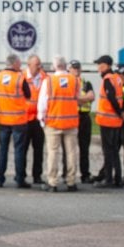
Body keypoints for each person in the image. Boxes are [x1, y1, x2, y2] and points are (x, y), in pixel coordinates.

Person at [37, 56, 80, 192]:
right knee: (71, 153)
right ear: (65, 66)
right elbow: (77, 98)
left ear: (54, 66)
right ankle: (71, 181)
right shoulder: (75, 81)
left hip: (53, 122)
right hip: (71, 122)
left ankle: (53, 182)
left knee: (53, 152)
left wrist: (41, 118)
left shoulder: (48, 81)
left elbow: (43, 103)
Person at [0, 54, 32, 188]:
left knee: (3, 150)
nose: (21, 65)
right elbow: (28, 95)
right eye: (19, 62)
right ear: (14, 63)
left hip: (3, 119)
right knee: (19, 150)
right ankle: (20, 179)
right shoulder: (20, 78)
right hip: (18, 120)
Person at [93, 55, 124, 189]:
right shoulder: (117, 78)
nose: (98, 67)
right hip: (115, 121)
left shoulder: (108, 80)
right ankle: (117, 179)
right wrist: (122, 112)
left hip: (107, 120)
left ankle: (108, 179)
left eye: (99, 64)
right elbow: (121, 97)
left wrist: (119, 112)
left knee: (108, 151)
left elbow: (112, 99)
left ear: (106, 65)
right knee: (114, 150)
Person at [69, 60, 96, 184]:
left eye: (78, 68)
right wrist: (82, 99)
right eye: (74, 68)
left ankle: (85, 174)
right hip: (71, 116)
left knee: (84, 148)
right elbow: (69, 99)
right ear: (69, 69)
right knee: (69, 149)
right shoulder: (67, 83)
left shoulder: (86, 83)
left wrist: (78, 99)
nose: (76, 70)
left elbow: (92, 97)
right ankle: (68, 174)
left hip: (84, 117)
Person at [23, 54, 47, 184]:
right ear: (29, 65)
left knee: (38, 150)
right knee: (23, 149)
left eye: (39, 64)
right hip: (25, 119)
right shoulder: (22, 77)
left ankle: (37, 176)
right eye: (36, 64)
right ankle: (21, 175)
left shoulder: (45, 77)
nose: (39, 67)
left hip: (39, 119)